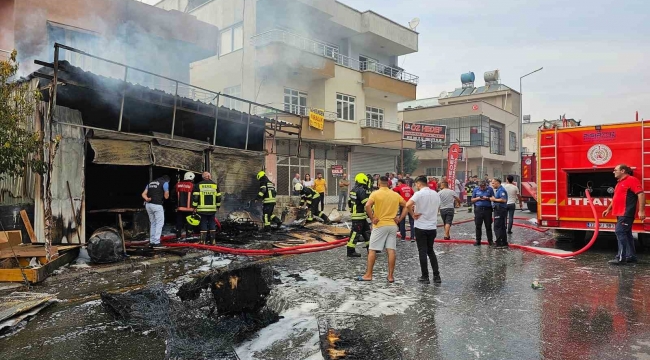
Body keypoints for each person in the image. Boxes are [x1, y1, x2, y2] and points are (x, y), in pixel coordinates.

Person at [357, 176, 406, 283]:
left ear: (379, 184)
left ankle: (369, 275)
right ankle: (390, 276)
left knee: (372, 249)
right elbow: (406, 205)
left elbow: (367, 205)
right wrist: (400, 218)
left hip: (380, 225)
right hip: (393, 225)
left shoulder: (375, 193)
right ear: (388, 184)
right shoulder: (395, 194)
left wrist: (372, 218)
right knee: (391, 250)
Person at [602, 164, 646, 265]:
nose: (613, 172)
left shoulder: (632, 180)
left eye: (615, 170)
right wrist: (608, 209)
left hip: (626, 213)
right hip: (620, 213)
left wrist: (641, 211)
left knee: (620, 232)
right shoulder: (619, 183)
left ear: (622, 171)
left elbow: (641, 194)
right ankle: (631, 256)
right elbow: (616, 198)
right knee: (627, 234)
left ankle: (621, 258)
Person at [406, 175, 442, 284]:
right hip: (432, 226)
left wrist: (413, 214)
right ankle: (437, 276)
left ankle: (425, 276)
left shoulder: (419, 194)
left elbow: (408, 204)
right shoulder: (436, 194)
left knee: (422, 251)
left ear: (418, 184)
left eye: (416, 184)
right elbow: (438, 208)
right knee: (430, 250)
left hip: (421, 226)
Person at [346, 173, 372, 258]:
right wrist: (372, 213)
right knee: (355, 233)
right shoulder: (361, 190)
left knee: (367, 232)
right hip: (359, 216)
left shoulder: (353, 190)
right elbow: (366, 203)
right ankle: (350, 251)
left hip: (360, 216)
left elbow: (349, 202)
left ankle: (371, 248)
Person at [192, 171, 221, 244]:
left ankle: (203, 241)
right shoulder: (215, 185)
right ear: (209, 177)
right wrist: (218, 206)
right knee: (212, 223)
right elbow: (218, 197)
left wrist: (194, 207)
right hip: (212, 209)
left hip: (202, 209)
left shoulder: (198, 185)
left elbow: (195, 197)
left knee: (203, 223)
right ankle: (213, 241)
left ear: (203, 177)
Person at [142, 175, 170, 248]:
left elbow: (143, 194)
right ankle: (156, 242)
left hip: (148, 205)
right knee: (159, 223)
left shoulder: (150, 183)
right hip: (157, 205)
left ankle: (152, 241)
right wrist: (166, 193)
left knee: (153, 223)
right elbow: (166, 196)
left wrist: (147, 198)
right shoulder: (165, 183)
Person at [471, 180, 494, 246]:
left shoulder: (490, 189)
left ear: (486, 185)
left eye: (484, 187)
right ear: (479, 186)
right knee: (478, 225)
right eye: (481, 187)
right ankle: (478, 240)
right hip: (478, 209)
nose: (483, 188)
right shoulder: (476, 190)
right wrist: (478, 198)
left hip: (487, 209)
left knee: (488, 226)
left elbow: (493, 198)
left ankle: (490, 241)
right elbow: (472, 200)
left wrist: (487, 198)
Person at [175, 172, 195, 239]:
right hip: (190, 209)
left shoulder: (177, 185)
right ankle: (188, 235)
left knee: (179, 222)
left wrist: (175, 205)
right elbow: (195, 196)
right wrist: (195, 206)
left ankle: (178, 235)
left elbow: (173, 196)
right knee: (189, 222)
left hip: (180, 208)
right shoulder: (192, 186)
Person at [490, 178, 509, 248]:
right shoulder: (498, 190)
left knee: (497, 226)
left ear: (497, 182)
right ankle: (503, 242)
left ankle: (499, 243)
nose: (492, 185)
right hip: (498, 209)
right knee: (501, 226)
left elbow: (503, 200)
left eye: (493, 183)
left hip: (500, 210)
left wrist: (494, 199)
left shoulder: (501, 190)